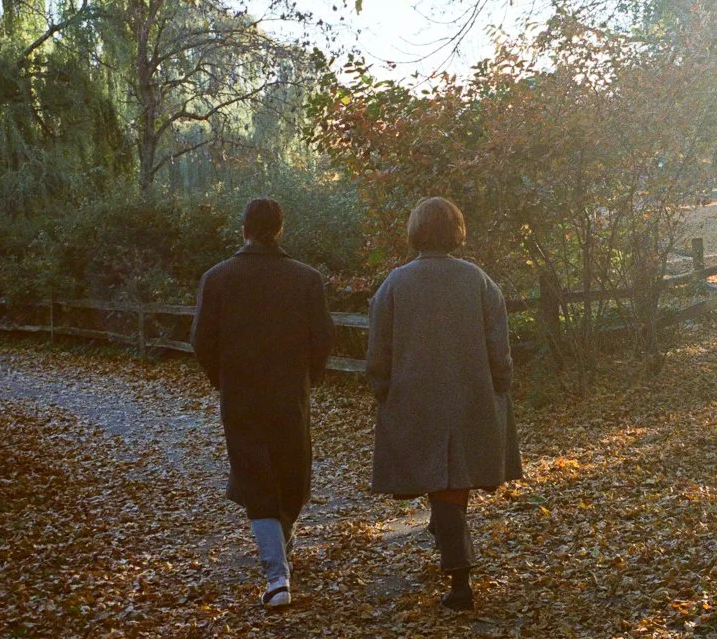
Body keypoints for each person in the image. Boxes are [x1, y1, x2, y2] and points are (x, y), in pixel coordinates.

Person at [366, 196, 522, 612]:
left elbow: (378, 349)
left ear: (417, 232)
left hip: (415, 401)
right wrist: (500, 388)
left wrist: (383, 388)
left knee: (445, 482)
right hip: (470, 398)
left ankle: (460, 578)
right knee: (451, 481)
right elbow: (499, 347)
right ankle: (451, 548)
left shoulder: (395, 284)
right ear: (456, 231)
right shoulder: (479, 281)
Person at [191, 197, 336, 611]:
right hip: (290, 393)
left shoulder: (217, 278)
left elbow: (202, 340)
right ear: (280, 230)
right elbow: (323, 337)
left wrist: (222, 379)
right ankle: (277, 571)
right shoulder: (306, 279)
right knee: (291, 472)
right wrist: (309, 376)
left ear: (244, 230)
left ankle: (277, 558)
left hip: (242, 395)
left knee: (258, 474)